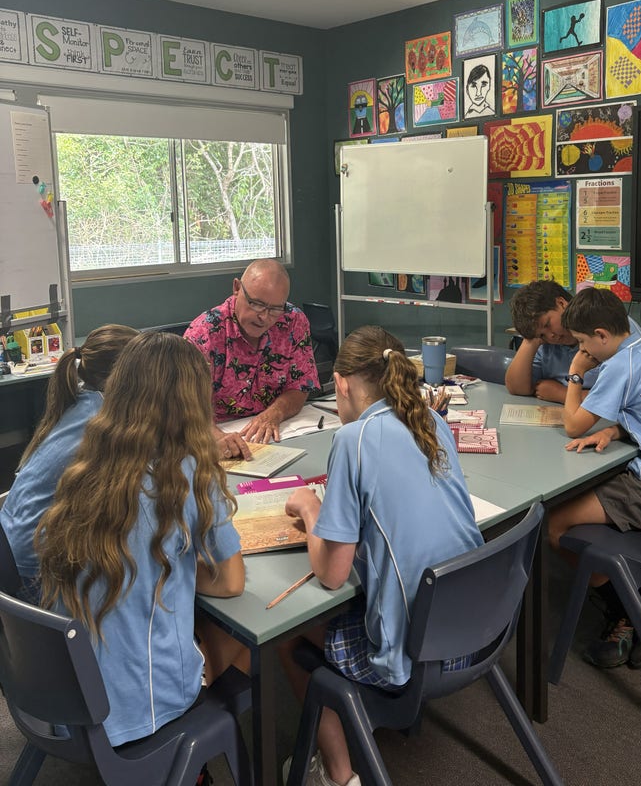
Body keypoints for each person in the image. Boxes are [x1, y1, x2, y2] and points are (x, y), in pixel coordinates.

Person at [280, 325, 483, 786]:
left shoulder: (352, 441)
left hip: (413, 655)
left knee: (287, 640)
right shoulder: (430, 421)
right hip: (473, 629)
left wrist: (312, 509)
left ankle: (338, 774)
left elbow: (332, 575)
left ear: (343, 385)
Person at [36, 331, 247, 748]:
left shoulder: (85, 464)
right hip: (140, 711)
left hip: (66, 696)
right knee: (256, 643)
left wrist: (157, 574)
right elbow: (231, 581)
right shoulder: (187, 473)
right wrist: (176, 574)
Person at [547, 287, 641, 669]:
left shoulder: (619, 366)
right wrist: (615, 431)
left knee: (554, 524)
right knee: (584, 496)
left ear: (601, 334)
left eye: (583, 343)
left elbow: (571, 425)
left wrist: (575, 375)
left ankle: (634, 607)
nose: (583, 352)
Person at [0, 323, 139, 596]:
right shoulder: (105, 424)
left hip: (12, 552)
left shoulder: (82, 400)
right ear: (123, 379)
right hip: (36, 573)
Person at [184, 258, 320, 455]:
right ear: (237, 288)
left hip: (275, 434)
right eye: (257, 304)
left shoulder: (293, 321)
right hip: (218, 434)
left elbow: (300, 386)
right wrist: (217, 437)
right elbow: (186, 406)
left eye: (274, 309)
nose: (264, 317)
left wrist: (274, 413)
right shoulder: (204, 332)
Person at [505, 279, 602, 403]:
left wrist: (562, 394)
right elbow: (517, 388)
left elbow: (625, 396)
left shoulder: (607, 327)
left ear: (562, 303)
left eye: (547, 324)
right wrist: (532, 339)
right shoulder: (544, 345)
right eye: (542, 335)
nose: (550, 336)